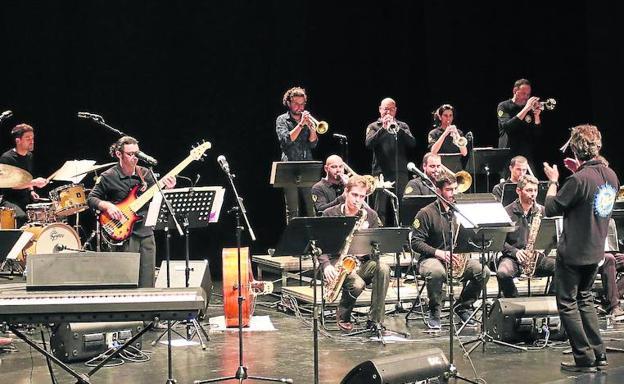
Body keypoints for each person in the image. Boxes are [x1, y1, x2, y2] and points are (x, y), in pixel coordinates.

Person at [543, 124, 619, 372]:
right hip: (596, 250)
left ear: (575, 149)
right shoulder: (611, 175)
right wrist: (580, 171)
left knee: (567, 302)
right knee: (584, 299)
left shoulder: (578, 180)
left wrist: (554, 182)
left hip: (574, 252)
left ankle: (584, 358)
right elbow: (590, 196)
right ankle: (599, 353)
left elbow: (552, 208)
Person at [87, 136, 176, 288]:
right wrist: (108, 206)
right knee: (126, 281)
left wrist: (168, 188)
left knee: (147, 281)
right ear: (118, 154)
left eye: (137, 153)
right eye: (130, 154)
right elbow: (91, 198)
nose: (135, 157)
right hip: (123, 234)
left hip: (146, 232)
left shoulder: (146, 174)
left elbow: (158, 199)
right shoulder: (108, 176)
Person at [410, 171, 490, 329]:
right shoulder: (425, 213)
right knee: (436, 272)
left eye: (455, 189)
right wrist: (438, 253)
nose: (453, 193)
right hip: (430, 258)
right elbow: (415, 242)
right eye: (449, 190)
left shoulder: (459, 211)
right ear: (438, 191)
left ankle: (463, 306)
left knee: (483, 271)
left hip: (456, 259)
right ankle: (434, 311)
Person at [320, 175, 389, 332]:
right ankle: (344, 314)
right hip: (336, 263)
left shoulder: (370, 215)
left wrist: (371, 248)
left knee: (383, 268)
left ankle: (375, 320)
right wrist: (325, 266)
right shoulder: (330, 214)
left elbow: (376, 247)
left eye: (362, 196)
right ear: (346, 192)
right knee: (357, 284)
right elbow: (318, 245)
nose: (358, 200)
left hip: (361, 262)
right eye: (354, 195)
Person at [496, 175, 555, 298]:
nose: (533, 194)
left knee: (563, 268)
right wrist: (515, 252)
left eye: (535, 190)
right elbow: (499, 241)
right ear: (518, 191)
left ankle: (551, 302)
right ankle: (514, 304)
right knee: (502, 273)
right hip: (513, 258)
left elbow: (552, 238)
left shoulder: (542, 211)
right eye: (529, 190)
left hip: (536, 257)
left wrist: (543, 251)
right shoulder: (506, 212)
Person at [365, 97, 416, 225]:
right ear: (380, 109)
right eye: (386, 109)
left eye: (391, 110)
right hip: (380, 173)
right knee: (380, 209)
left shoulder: (402, 126)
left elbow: (412, 143)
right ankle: (378, 239)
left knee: (401, 206)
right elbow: (368, 144)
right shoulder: (373, 126)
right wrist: (383, 128)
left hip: (400, 172)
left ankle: (402, 239)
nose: (388, 113)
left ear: (396, 110)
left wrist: (399, 130)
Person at [275, 86, 318, 223]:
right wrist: (300, 125)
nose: (299, 107)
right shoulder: (282, 120)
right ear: (289, 103)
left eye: (302, 104)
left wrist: (312, 129)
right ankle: (292, 242)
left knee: (312, 207)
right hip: (289, 166)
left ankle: (315, 240)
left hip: (307, 165)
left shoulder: (307, 120)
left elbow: (313, 144)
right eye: (296, 104)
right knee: (293, 210)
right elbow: (286, 140)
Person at [0, 124, 49, 226]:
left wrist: (31, 190)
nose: (32, 141)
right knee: (21, 217)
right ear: (18, 141)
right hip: (9, 200)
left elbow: (26, 177)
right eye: (28, 138)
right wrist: (35, 182)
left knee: (49, 211)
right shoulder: (6, 158)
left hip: (25, 198)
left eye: (32, 138)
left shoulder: (29, 156)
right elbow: (13, 184)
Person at [497, 79, 543, 172]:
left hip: (525, 154)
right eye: (523, 93)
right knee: (508, 184)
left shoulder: (529, 109)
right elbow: (507, 126)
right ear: (515, 91)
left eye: (528, 95)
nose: (526, 97)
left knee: (532, 183)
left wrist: (537, 116)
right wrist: (526, 109)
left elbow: (537, 134)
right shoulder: (503, 106)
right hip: (508, 153)